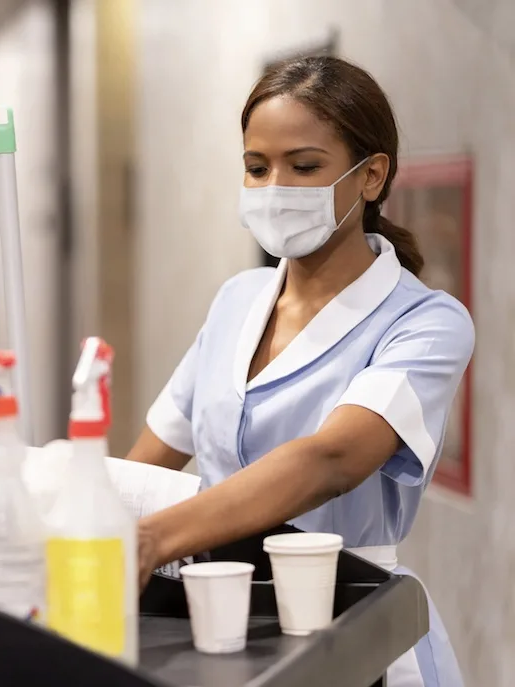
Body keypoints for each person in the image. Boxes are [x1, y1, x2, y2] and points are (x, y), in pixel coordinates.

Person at [127, 56, 473, 687]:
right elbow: (150, 463)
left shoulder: (426, 323)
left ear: (371, 177)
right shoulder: (237, 299)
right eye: (257, 168)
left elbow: (332, 459)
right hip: (218, 622)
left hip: (348, 624)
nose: (274, 187)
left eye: (304, 166)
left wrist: (151, 541)